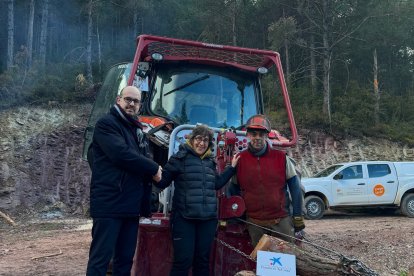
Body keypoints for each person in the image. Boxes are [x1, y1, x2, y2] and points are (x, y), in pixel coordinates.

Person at [86, 86, 162, 276]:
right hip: (110, 204)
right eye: (128, 99)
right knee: (100, 259)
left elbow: (140, 169)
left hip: (130, 206)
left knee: (125, 260)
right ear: (118, 99)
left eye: (136, 101)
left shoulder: (136, 131)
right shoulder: (106, 124)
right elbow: (122, 155)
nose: (132, 104)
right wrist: (154, 168)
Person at [153, 124, 240, 276]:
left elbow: (217, 184)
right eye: (198, 139)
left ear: (209, 143)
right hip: (184, 219)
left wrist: (231, 168)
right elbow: (162, 182)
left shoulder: (210, 162)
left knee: (202, 261)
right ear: (192, 140)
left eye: (206, 140)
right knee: (183, 261)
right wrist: (153, 170)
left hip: (207, 220)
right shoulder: (179, 158)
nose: (202, 143)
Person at [232, 114, 305, 246]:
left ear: (267, 135)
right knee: (260, 260)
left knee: (285, 259)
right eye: (254, 134)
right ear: (248, 135)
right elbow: (234, 189)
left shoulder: (281, 158)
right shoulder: (240, 160)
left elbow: (295, 188)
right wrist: (240, 217)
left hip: (281, 221)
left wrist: (298, 216)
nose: (257, 138)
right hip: (254, 223)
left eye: (261, 134)